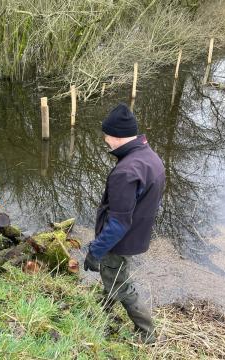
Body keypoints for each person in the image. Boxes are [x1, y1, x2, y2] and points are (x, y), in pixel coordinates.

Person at [83, 103, 166, 344]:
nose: (105, 140)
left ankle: (147, 334)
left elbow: (118, 223)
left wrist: (95, 251)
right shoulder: (150, 157)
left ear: (117, 136)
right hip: (137, 234)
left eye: (107, 135)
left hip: (120, 241)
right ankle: (105, 307)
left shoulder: (126, 171)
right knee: (114, 275)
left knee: (122, 286)